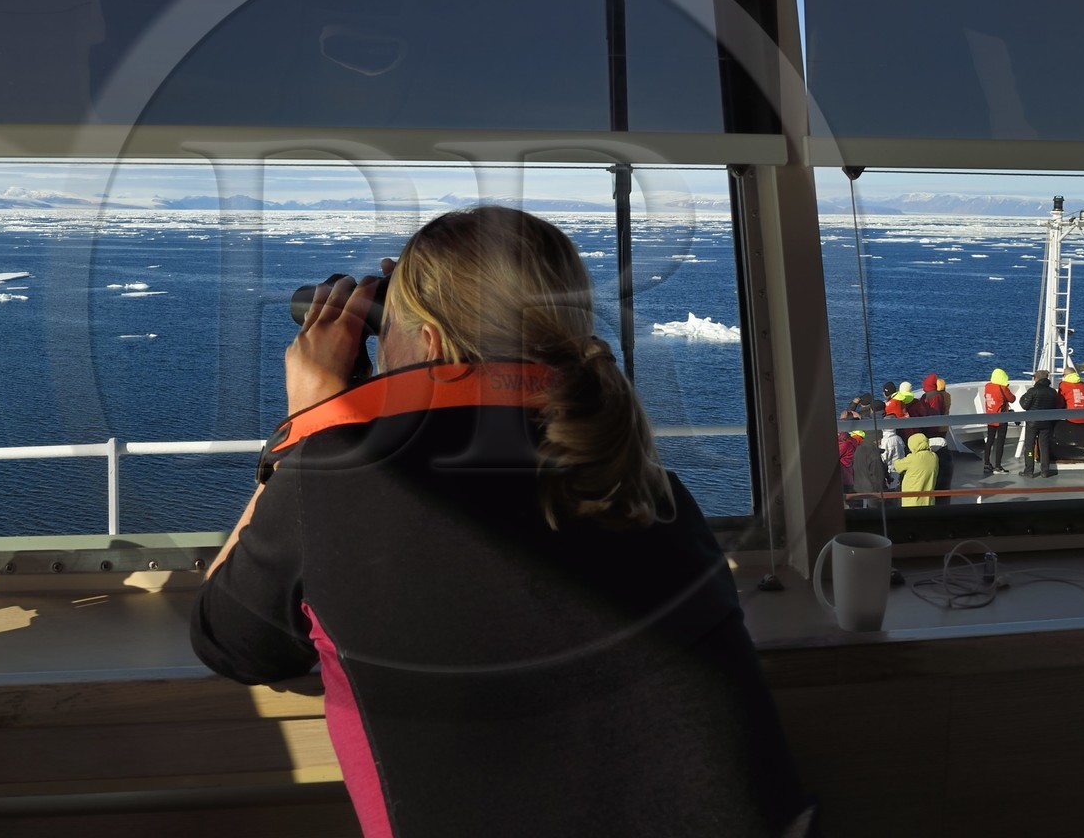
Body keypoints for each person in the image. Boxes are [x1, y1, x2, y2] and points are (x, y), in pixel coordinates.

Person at [188, 207, 816, 838]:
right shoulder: (651, 488)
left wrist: (313, 425)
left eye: (387, 329)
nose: (379, 347)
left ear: (428, 341)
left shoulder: (343, 477)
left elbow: (231, 639)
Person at [1019, 370, 1061, 478]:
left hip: (1032, 423)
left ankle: (1029, 470)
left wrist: (1023, 398)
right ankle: (1045, 471)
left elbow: (1025, 405)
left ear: (1037, 378)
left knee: (1029, 447)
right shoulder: (1052, 392)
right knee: (1044, 446)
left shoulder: (1033, 391)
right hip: (1046, 423)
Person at [981, 368, 1017, 474]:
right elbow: (1012, 399)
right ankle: (998, 466)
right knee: (1000, 443)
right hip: (1001, 419)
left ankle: (986, 465)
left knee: (989, 441)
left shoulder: (988, 386)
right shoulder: (1003, 388)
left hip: (990, 417)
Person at [893, 432, 938, 507]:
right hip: (929, 500)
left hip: (912, 500)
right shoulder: (934, 457)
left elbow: (897, 466)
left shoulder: (912, 458)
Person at [850, 428, 890, 508]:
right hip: (873, 493)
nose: (881, 441)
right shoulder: (873, 453)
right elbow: (878, 476)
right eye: (880, 438)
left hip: (858, 489)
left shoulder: (859, 449)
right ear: (875, 439)